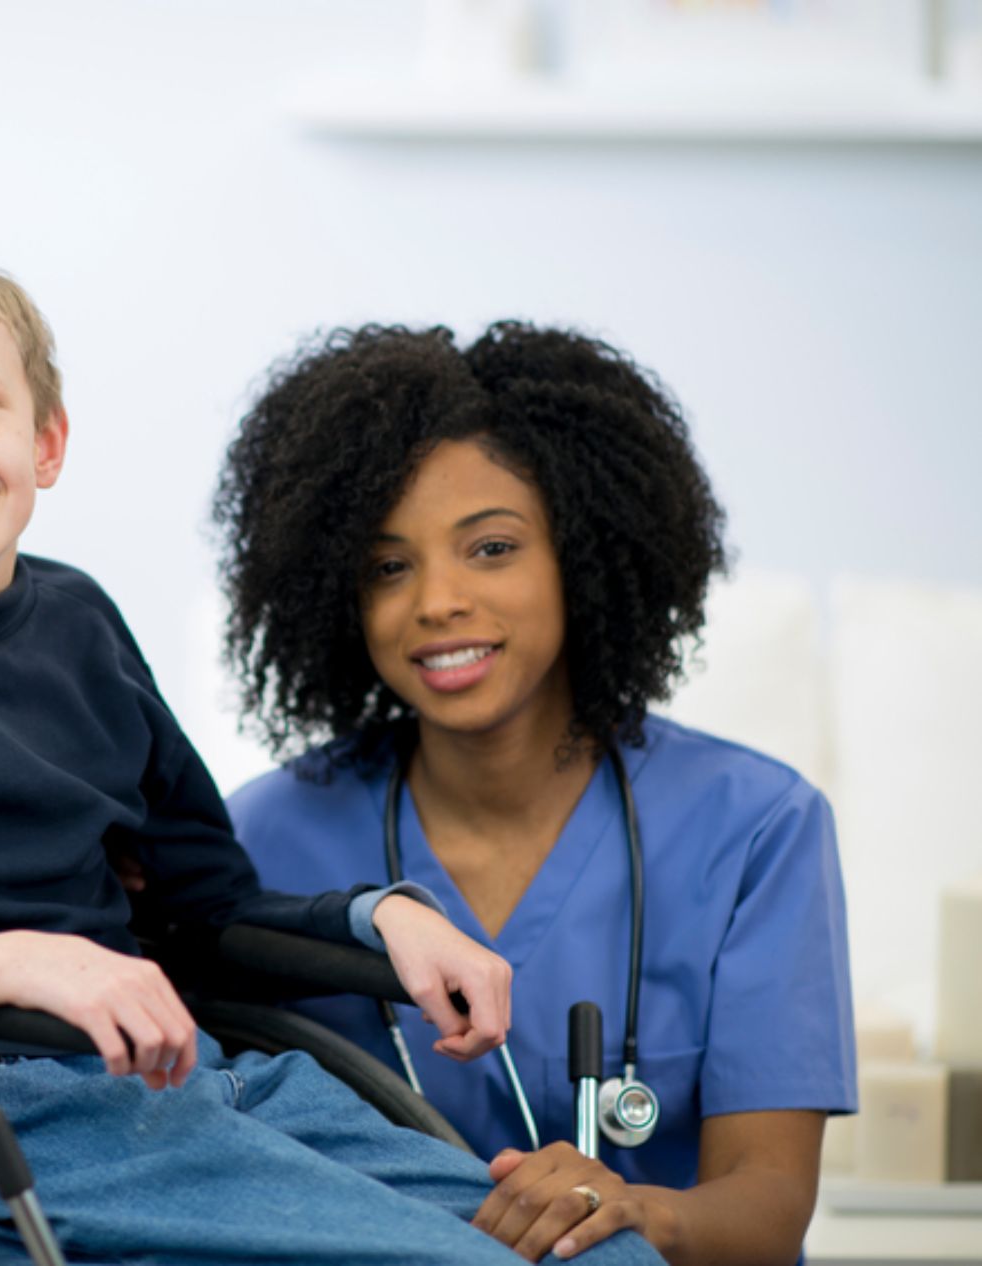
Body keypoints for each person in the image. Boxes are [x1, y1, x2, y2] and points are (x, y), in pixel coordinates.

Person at [0, 246, 662, 1266]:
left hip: (181, 1085)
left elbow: (201, 913)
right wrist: (7, 963)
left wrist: (381, 916)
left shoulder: (80, 623)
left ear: (46, 441)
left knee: (606, 1251)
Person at [213, 323, 854, 1264]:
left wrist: (637, 1209)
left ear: (584, 556)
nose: (437, 601)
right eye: (389, 567)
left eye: (492, 548)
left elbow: (768, 1209)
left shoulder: (757, 829)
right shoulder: (269, 837)